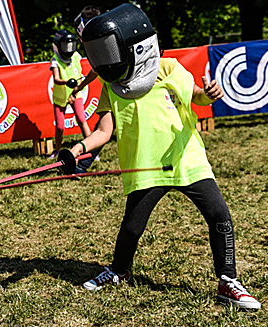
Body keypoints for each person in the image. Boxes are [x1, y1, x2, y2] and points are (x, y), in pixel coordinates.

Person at [70, 3, 260, 310]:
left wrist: (208, 95)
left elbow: (195, 96)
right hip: (145, 165)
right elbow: (104, 131)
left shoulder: (167, 67)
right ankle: (119, 271)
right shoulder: (111, 83)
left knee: (219, 216)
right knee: (131, 227)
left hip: (186, 158)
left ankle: (229, 281)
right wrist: (76, 151)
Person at [48, 29, 99, 173]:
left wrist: (75, 88)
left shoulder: (76, 56)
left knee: (82, 120)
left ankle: (93, 150)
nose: (69, 49)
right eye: (65, 45)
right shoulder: (55, 60)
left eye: (71, 45)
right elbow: (56, 79)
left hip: (76, 93)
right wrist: (67, 82)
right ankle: (57, 150)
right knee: (60, 127)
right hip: (61, 96)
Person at [67, 5, 103, 172]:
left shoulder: (101, 40)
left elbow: (96, 68)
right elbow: (96, 69)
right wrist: (80, 86)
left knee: (102, 129)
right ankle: (82, 165)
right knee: (102, 129)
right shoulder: (101, 37)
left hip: (125, 89)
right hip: (117, 90)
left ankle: (82, 164)